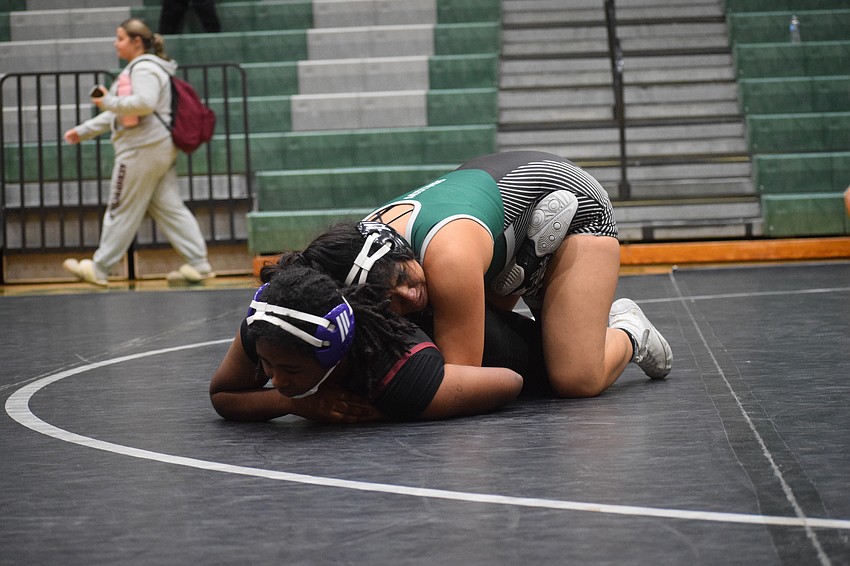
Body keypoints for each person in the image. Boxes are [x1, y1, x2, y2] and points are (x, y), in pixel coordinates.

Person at [284, 151, 673, 398]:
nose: (409, 295)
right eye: (391, 300)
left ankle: (629, 330)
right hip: (500, 209)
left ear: (399, 252)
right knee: (447, 310)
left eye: (402, 278)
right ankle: (521, 268)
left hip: (573, 201)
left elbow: (460, 379)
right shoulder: (348, 252)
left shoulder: (447, 259)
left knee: (575, 378)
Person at [209, 264, 523, 423]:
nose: (274, 379)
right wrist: (290, 402)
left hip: (530, 354)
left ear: (331, 350)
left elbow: (510, 380)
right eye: (267, 365)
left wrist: (389, 412)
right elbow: (222, 395)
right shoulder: (270, 326)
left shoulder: (398, 374)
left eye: (290, 369)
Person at [62, 18, 214, 286]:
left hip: (141, 149)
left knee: (120, 206)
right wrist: (85, 130)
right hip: (156, 148)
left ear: (136, 42)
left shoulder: (143, 68)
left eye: (120, 38)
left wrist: (106, 100)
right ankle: (199, 264)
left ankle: (100, 267)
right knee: (169, 207)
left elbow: (143, 104)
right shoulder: (146, 68)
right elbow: (124, 114)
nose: (115, 43)